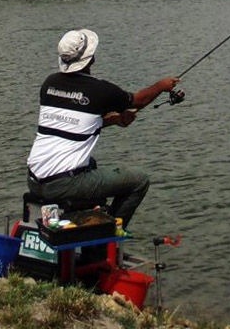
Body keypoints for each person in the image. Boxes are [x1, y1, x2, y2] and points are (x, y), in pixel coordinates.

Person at [26, 28, 178, 230]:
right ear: (91, 59)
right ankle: (106, 238)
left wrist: (113, 120)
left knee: (92, 164)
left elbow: (71, 123)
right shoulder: (99, 90)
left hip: (34, 180)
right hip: (63, 185)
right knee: (139, 181)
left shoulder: (49, 84)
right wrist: (161, 86)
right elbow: (137, 101)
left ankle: (86, 224)